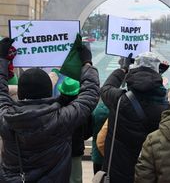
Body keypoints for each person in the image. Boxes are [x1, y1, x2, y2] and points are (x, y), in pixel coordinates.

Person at [0, 37, 100, 182]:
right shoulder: (62, 118)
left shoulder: (6, 118)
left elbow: (1, 93)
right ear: (49, 92)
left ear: (19, 94)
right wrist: (87, 63)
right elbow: (90, 94)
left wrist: (2, 59)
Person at [100, 51, 169, 183]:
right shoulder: (166, 106)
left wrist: (123, 69)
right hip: (148, 174)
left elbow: (106, 88)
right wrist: (157, 73)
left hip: (118, 174)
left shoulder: (120, 100)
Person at [57, 76, 92, 183]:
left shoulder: (56, 108)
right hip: (76, 149)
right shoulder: (83, 110)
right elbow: (88, 132)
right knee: (76, 178)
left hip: (58, 150)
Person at [91, 101, 109, 174]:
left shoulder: (96, 110)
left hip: (97, 154)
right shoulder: (116, 109)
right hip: (112, 154)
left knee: (98, 177)